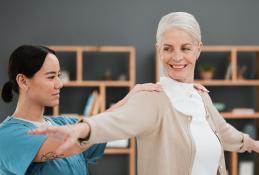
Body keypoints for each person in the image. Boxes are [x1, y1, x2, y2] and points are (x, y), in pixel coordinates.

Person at [29, 12, 259, 175]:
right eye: (168, 48)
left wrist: (252, 144)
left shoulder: (201, 96)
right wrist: (80, 128)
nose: (177, 57)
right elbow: (115, 122)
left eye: (186, 48)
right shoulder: (153, 98)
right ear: (159, 50)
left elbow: (223, 130)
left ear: (199, 49)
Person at [0, 45, 163, 175]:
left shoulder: (63, 123)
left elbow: (100, 124)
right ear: (23, 81)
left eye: (59, 75)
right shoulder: (7, 135)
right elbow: (72, 143)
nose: (59, 84)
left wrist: (130, 96)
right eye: (51, 77)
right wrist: (89, 129)